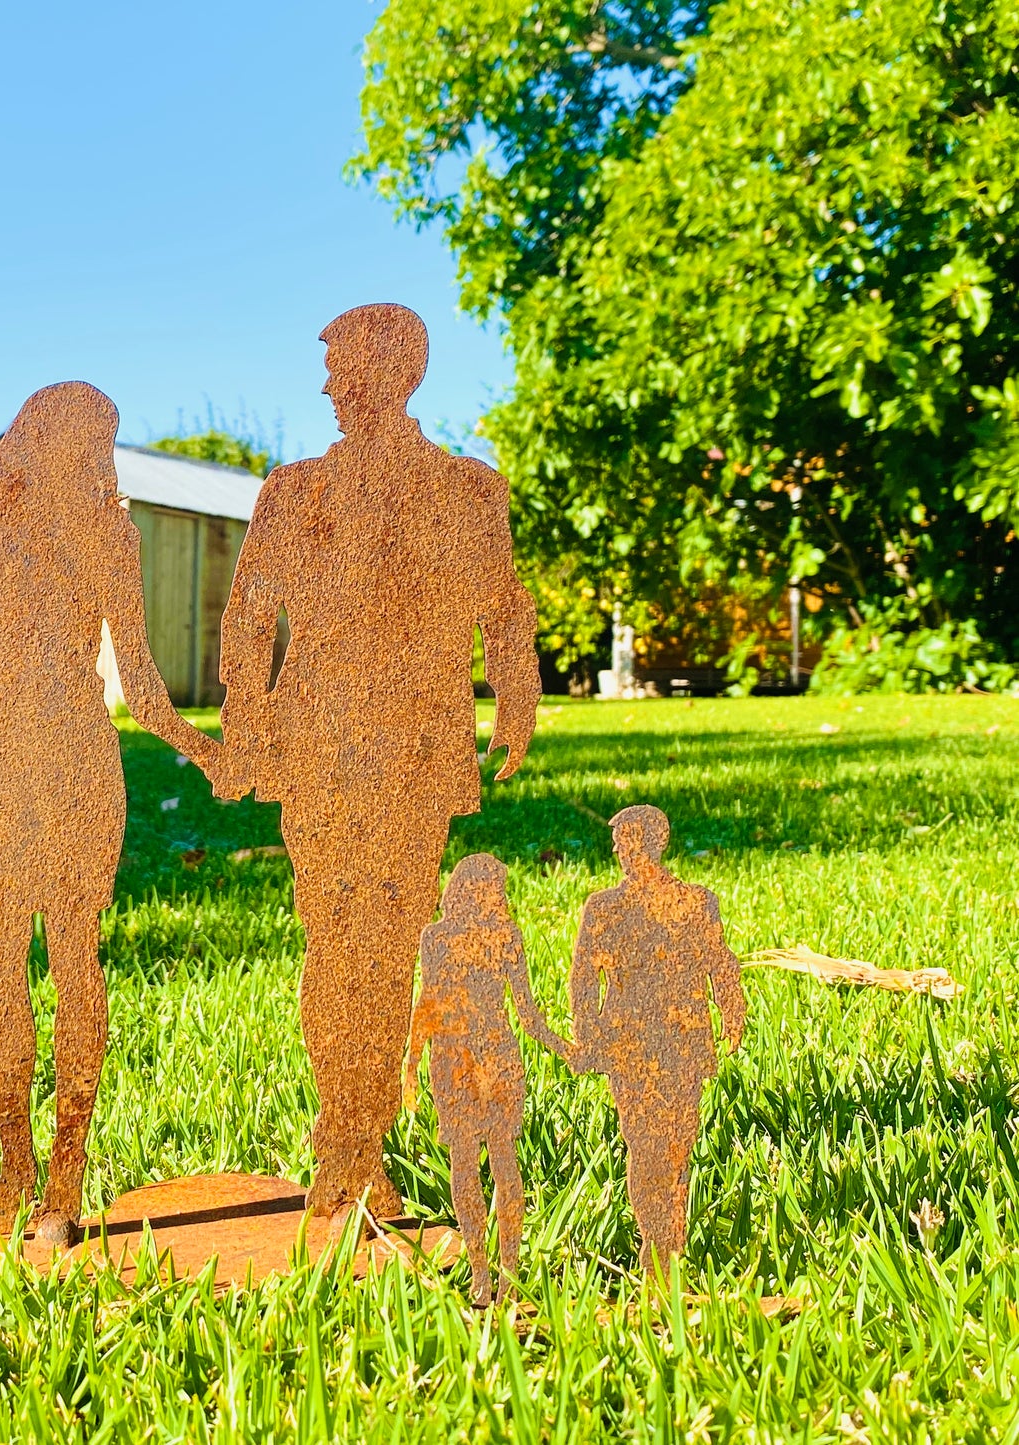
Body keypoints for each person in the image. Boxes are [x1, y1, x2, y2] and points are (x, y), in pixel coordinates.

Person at [212, 303, 541, 1217]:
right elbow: (247, 619)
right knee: (331, 937)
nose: (326, 386)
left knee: (389, 942)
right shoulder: (291, 491)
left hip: (418, 739)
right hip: (316, 737)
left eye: (340, 367)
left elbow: (504, 607)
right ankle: (343, 1131)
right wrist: (244, 722)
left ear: (389, 370)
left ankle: (361, 1139)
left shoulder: (469, 491)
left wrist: (515, 692)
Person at [0, 382, 218, 1243]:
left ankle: (67, 1163)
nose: (97, 456)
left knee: (76, 952)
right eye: (90, 439)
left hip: (76, 752)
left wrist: (207, 747)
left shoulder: (111, 533)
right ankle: (13, 1157)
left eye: (104, 442)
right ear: (46, 440)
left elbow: (139, 677)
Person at [561, 805, 746, 1274]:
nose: (622, 850)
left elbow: (718, 960)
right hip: (628, 1041)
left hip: (683, 1038)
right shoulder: (604, 907)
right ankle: (656, 1242)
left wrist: (732, 1007)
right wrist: (585, 1030)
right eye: (618, 843)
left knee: (679, 1142)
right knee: (642, 1141)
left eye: (629, 841)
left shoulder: (695, 902)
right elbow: (583, 977)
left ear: (654, 843)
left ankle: (672, 1236)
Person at [405, 854, 541, 1306]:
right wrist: (411, 1063)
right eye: (491, 890)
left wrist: (569, 1047)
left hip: (498, 1053)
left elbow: (527, 1011)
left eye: (500, 892)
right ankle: (479, 1267)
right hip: (453, 1057)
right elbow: (429, 1000)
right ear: (467, 890)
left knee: (504, 1158)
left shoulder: (507, 937)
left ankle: (510, 1271)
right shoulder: (436, 938)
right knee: (463, 1163)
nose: (499, 899)